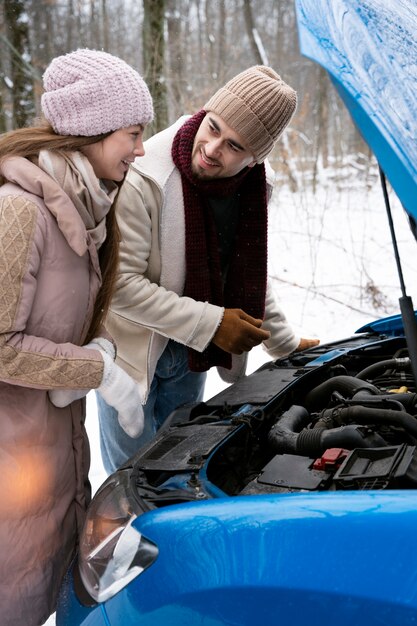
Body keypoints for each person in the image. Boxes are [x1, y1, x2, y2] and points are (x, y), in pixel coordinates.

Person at [98, 65, 319, 474]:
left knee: (178, 470)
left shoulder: (250, 187)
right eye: (213, 126)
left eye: (234, 146)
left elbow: (245, 271)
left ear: (256, 159)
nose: (213, 148)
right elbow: (120, 287)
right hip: (130, 354)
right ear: (204, 113)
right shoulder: (145, 177)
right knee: (129, 481)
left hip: (189, 351)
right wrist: (213, 321)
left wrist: (283, 341)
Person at [0, 48, 153, 626]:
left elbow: (58, 331)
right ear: (90, 132)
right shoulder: (19, 212)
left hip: (48, 460)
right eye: (132, 133)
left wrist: (98, 353)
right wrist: (97, 370)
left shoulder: (85, 211)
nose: (140, 149)